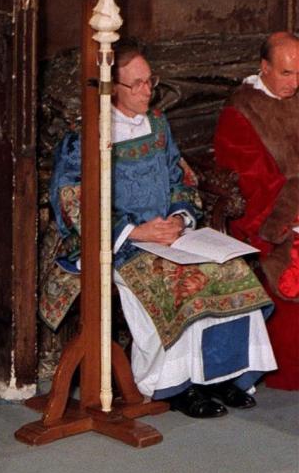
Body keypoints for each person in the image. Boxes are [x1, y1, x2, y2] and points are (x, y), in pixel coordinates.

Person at [40, 42, 276, 417]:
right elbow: (72, 201)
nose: (148, 91)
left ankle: (220, 378)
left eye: (150, 81)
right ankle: (174, 386)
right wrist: (136, 232)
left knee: (231, 272)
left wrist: (180, 219)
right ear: (111, 88)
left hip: (171, 235)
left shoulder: (158, 124)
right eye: (137, 84)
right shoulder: (86, 136)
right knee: (179, 282)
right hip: (117, 244)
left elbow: (181, 179)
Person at [213, 32, 299, 390]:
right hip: (272, 217)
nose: (295, 83)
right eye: (286, 74)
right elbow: (253, 183)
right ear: (264, 68)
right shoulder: (241, 113)